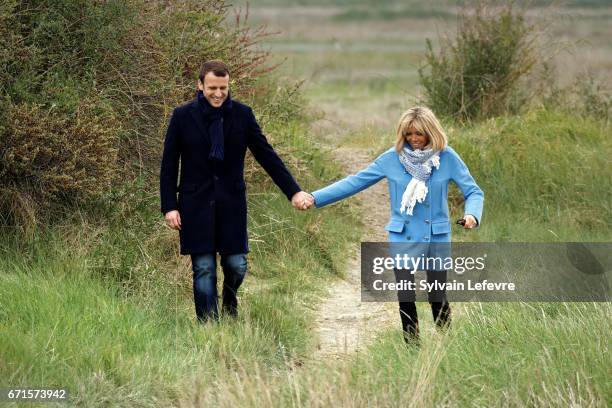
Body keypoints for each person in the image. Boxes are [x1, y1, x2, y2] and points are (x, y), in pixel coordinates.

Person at [306, 106, 483, 343]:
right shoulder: (392, 158)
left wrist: (472, 215)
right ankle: (411, 345)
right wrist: (314, 197)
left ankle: (446, 344)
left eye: (419, 134)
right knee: (406, 294)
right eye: (409, 134)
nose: (414, 140)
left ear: (431, 132)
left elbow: (473, 191)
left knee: (437, 294)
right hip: (403, 235)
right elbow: (354, 182)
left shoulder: (447, 157)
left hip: (436, 235)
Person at [160, 60, 313, 322]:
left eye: (223, 87)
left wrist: (294, 192)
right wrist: (169, 206)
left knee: (236, 265)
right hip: (194, 204)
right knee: (204, 268)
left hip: (231, 204)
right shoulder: (182, 116)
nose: (218, 94)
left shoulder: (242, 115)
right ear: (200, 85)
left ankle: (230, 298)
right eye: (212, 88)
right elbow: (169, 164)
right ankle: (210, 329)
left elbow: (267, 156)